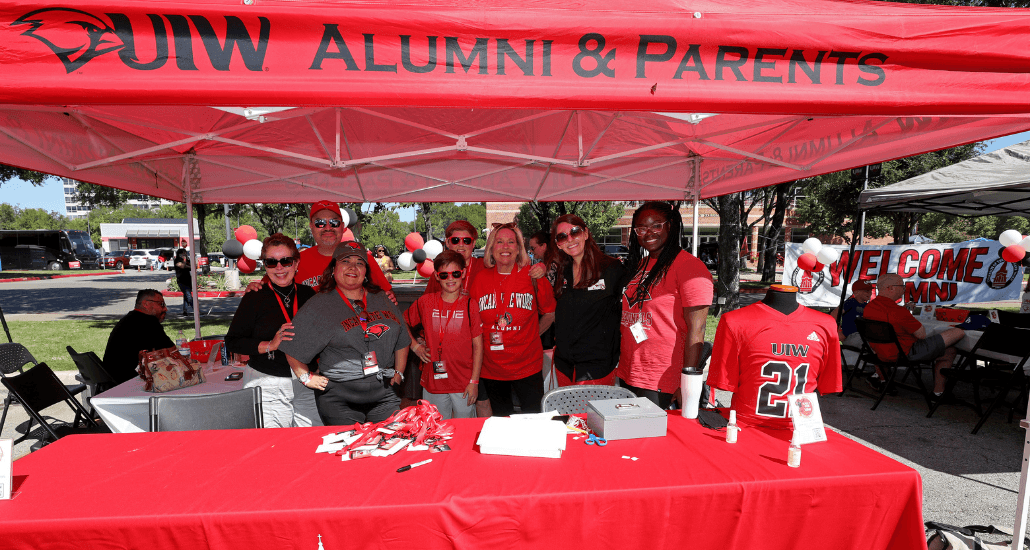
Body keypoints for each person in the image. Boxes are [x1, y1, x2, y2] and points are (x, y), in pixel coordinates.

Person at [280, 241, 410, 425]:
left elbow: (402, 338)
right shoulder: (319, 304)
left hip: (384, 391)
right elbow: (292, 345)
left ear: (366, 271)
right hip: (339, 397)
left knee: (390, 445)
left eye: (359, 262)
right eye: (345, 261)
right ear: (333, 268)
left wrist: (399, 372)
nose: (353, 267)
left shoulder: (382, 298)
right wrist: (305, 377)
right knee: (349, 449)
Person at [618, 201, 714, 409]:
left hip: (662, 379)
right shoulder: (641, 265)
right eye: (641, 228)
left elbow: (697, 330)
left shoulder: (690, 268)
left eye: (656, 225)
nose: (648, 233)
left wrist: (686, 382)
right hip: (629, 371)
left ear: (671, 226)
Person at [708, 285, 842, 429]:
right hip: (754, 424)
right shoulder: (733, 321)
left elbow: (725, 381)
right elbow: (828, 382)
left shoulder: (826, 324)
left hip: (798, 426)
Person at [225, 233, 322, 428]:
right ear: (264, 265)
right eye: (271, 262)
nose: (279, 268)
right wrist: (270, 345)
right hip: (268, 382)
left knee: (310, 441)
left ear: (296, 263)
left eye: (285, 261)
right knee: (276, 445)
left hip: (306, 381)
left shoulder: (308, 294)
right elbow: (233, 341)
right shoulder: (255, 296)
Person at [468, 222, 556, 416]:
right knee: (502, 420)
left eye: (511, 242)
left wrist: (533, 334)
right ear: (491, 248)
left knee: (532, 421)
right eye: (499, 242)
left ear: (518, 249)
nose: (505, 247)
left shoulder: (533, 276)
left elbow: (550, 313)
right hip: (492, 368)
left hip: (527, 366)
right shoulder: (480, 279)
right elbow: (472, 321)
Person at [249, 201, 395, 303]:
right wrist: (254, 288)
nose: (327, 227)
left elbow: (387, 296)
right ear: (311, 227)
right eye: (320, 223)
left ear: (342, 226)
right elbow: (265, 288)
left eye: (334, 222)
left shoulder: (362, 258)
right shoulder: (294, 260)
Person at [405, 250, 483, 419]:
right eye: (444, 274)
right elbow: (401, 322)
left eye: (455, 273)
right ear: (436, 276)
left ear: (462, 273)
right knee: (436, 429)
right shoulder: (425, 302)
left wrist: (474, 382)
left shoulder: (471, 305)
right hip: (433, 382)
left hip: (463, 383)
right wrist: (416, 346)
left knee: (464, 428)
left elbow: (478, 345)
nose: (450, 279)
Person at [550, 214, 625, 385]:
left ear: (585, 233)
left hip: (596, 369)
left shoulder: (611, 268)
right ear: (558, 244)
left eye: (575, 232)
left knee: (592, 413)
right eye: (562, 236)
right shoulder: (562, 271)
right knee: (567, 413)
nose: (570, 239)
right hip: (565, 367)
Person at [862, 273, 966, 397]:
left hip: (878, 353)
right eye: (902, 286)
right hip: (903, 354)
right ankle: (938, 393)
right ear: (890, 288)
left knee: (948, 350)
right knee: (958, 332)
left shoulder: (869, 307)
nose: (904, 290)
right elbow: (921, 334)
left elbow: (892, 320)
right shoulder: (898, 311)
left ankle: (938, 393)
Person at [102, 289, 174, 384]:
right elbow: (172, 352)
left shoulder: (129, 319)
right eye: (161, 304)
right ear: (146, 304)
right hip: (128, 381)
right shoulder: (148, 322)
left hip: (111, 378)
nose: (165, 309)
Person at [832, 279, 874, 348]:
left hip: (863, 337)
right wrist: (838, 331)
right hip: (851, 337)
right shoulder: (850, 302)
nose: (870, 293)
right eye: (866, 291)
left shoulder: (867, 306)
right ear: (856, 292)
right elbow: (833, 315)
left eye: (870, 290)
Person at [173, 248, 194, 316]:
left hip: (188, 279)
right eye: (183, 253)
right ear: (179, 254)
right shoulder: (177, 260)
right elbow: (182, 266)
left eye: (185, 253)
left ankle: (185, 311)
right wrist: (185, 262)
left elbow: (192, 267)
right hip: (181, 280)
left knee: (186, 296)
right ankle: (196, 310)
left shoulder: (187, 260)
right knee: (189, 296)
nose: (185, 254)